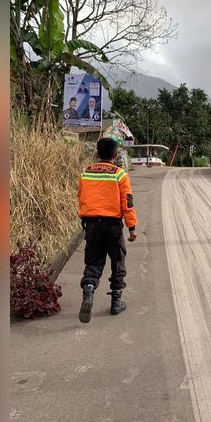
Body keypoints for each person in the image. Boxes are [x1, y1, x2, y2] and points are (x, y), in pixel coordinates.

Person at [78, 138, 138, 323]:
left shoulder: (85, 172)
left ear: (97, 152)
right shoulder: (120, 174)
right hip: (112, 225)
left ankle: (88, 291)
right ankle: (116, 302)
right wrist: (132, 227)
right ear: (115, 154)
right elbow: (127, 203)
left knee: (94, 262)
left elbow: (81, 198)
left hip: (92, 224)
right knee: (118, 260)